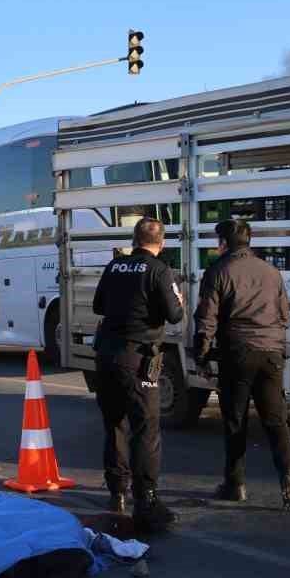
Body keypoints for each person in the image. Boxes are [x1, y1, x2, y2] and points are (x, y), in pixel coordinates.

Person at [193, 219, 290, 511]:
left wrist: (201, 355)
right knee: (276, 421)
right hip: (271, 353)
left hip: (237, 353)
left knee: (235, 420)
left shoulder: (217, 272)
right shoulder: (271, 272)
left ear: (223, 244)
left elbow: (206, 319)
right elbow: (285, 315)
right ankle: (289, 483)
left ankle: (235, 485)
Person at [91, 217, 185, 530]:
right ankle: (146, 499)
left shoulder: (114, 266)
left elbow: (97, 306)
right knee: (145, 429)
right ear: (162, 243)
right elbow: (175, 315)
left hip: (106, 356)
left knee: (114, 424)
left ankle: (117, 492)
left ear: (134, 239)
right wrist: (177, 301)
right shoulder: (160, 270)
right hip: (139, 358)